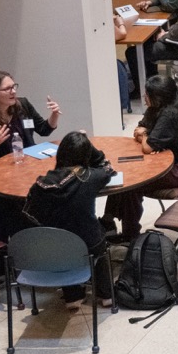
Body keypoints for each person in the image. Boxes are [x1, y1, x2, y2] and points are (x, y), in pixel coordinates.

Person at [23, 131, 116, 310]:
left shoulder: (40, 185)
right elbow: (107, 167)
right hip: (89, 244)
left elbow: (31, 213)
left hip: (55, 248)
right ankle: (106, 295)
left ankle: (72, 297)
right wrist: (90, 148)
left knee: (62, 234)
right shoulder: (89, 177)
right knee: (96, 235)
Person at [103, 75, 178, 241]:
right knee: (122, 173)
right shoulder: (155, 109)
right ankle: (107, 220)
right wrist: (147, 137)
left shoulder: (170, 114)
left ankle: (130, 234)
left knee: (132, 184)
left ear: (158, 97)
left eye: (147, 94)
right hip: (166, 162)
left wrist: (147, 137)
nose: (143, 97)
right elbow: (138, 129)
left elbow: (147, 146)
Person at [0, 70, 60, 175]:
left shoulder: (23, 105)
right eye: (7, 89)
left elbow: (44, 130)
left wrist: (54, 115)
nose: (13, 91)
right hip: (4, 170)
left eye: (13, 87)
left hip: (31, 163)